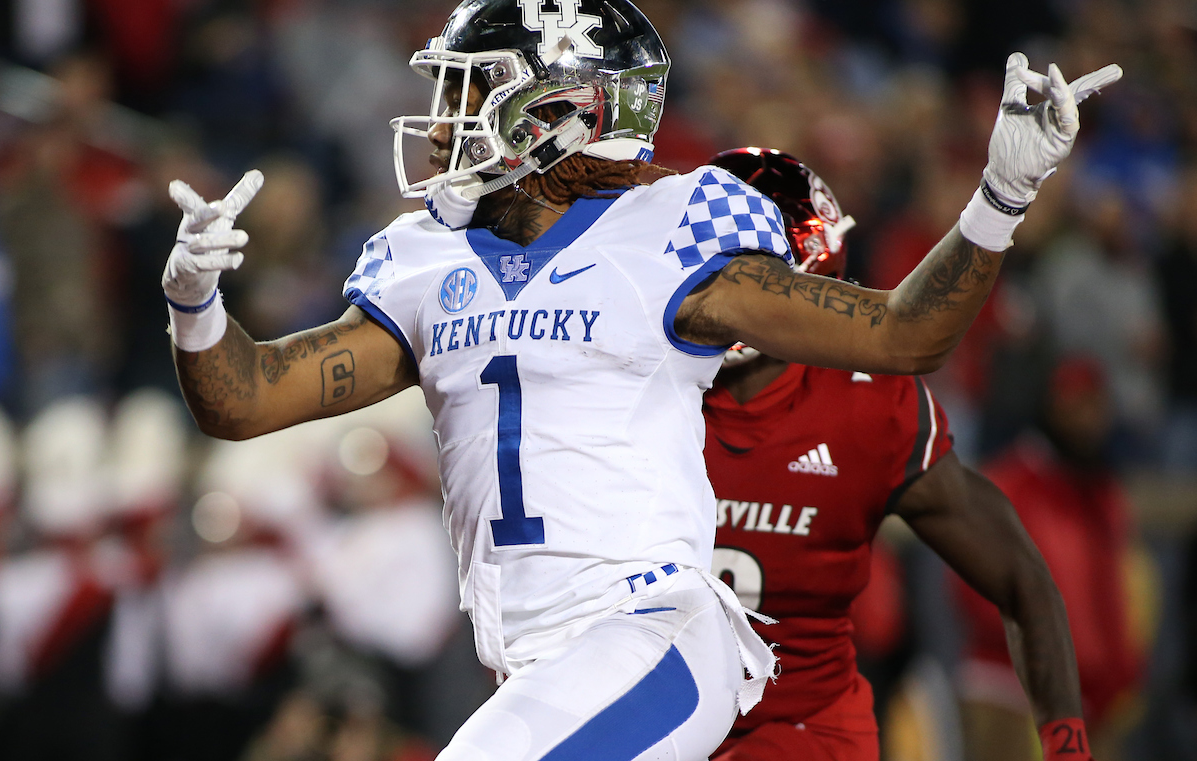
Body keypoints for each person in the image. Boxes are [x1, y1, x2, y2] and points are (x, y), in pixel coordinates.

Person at [159, 1, 1121, 758]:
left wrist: (1001, 194)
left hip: (653, 632)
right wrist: (196, 302)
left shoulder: (669, 232)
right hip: (534, 665)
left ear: (561, 109)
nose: (444, 119)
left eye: (471, 91)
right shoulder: (423, 260)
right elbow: (244, 402)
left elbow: (905, 335)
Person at [701, 148, 1095, 761]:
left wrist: (1067, 746)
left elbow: (1022, 579)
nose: (714, 284)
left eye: (744, 269)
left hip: (805, 731)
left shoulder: (867, 406)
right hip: (650, 720)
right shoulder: (623, 381)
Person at [953, 355, 1145, 761]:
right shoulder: (1009, 484)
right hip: (1007, 689)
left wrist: (1120, 671)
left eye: (1095, 406)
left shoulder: (1103, 493)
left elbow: (1113, 594)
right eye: (1075, 405)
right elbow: (974, 591)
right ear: (1049, 407)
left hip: (1089, 698)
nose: (1088, 419)